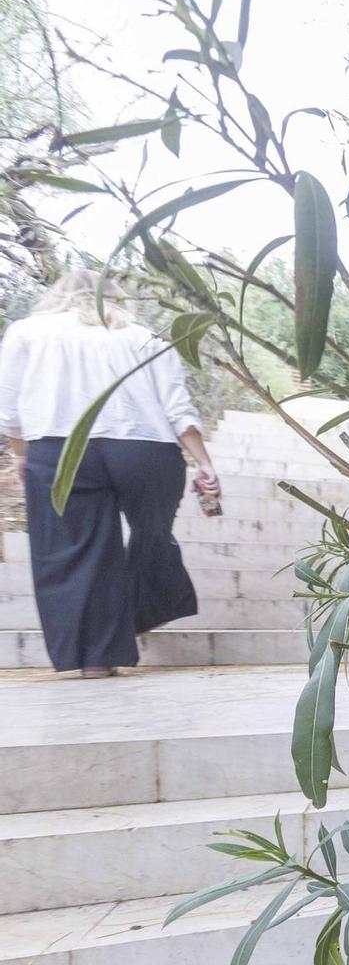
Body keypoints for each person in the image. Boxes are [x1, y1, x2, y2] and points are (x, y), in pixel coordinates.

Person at [0, 270, 219, 677]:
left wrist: (22, 457)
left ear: (56, 295)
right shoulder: (144, 336)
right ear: (117, 298)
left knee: (74, 551)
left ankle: (95, 659)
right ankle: (142, 611)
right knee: (152, 535)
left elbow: (9, 411)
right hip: (146, 449)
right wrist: (204, 462)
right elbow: (177, 405)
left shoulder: (27, 332)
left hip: (61, 449)